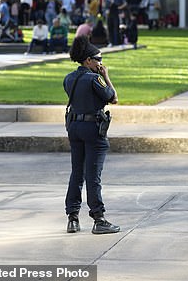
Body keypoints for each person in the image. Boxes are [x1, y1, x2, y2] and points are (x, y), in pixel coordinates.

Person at [63, 36, 119, 235]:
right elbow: (113, 98)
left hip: (74, 127)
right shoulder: (95, 79)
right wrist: (106, 76)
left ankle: (72, 217)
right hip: (93, 129)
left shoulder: (69, 78)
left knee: (76, 173)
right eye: (98, 60)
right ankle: (99, 218)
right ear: (88, 60)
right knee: (93, 175)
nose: (101, 64)